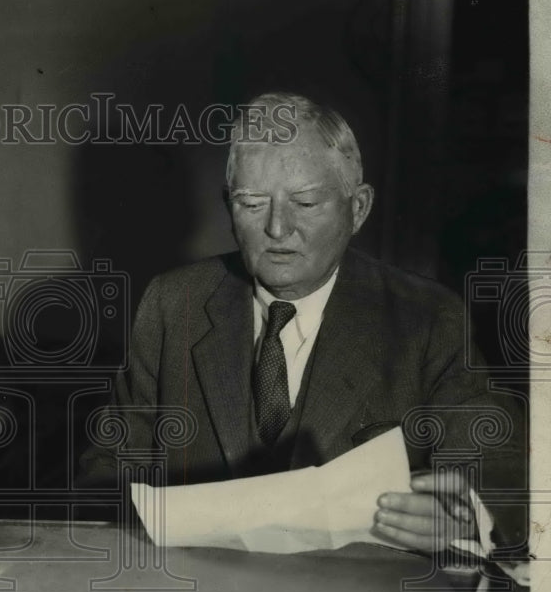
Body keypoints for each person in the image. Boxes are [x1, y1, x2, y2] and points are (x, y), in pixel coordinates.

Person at [80, 92, 527, 554]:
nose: (277, 228)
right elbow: (108, 471)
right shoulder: (174, 304)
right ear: (227, 205)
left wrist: (463, 517)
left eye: (306, 203)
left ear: (358, 209)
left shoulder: (427, 317)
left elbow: (496, 459)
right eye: (252, 203)